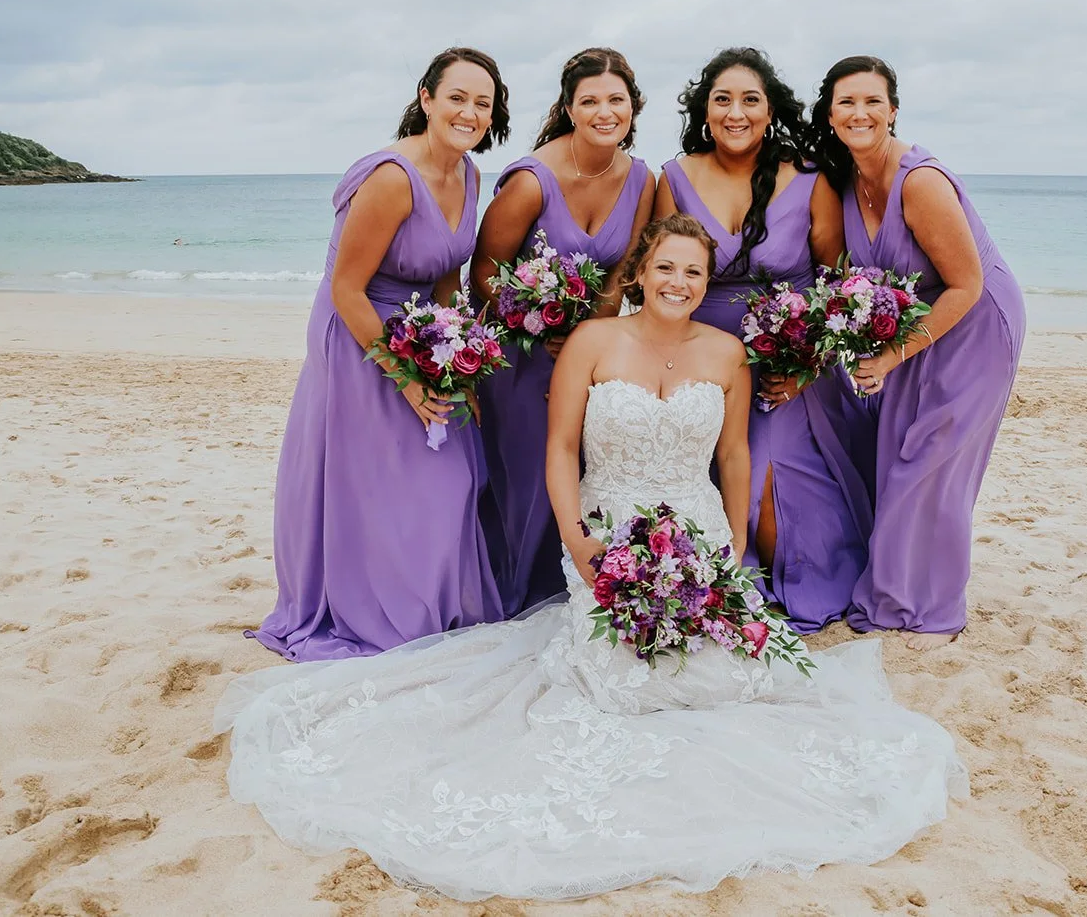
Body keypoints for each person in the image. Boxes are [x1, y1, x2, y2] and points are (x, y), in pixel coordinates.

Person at [215, 214, 967, 901]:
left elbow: (735, 455)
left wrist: (733, 548)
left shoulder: (728, 351)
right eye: (667, 268)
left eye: (694, 274)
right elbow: (562, 447)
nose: (679, 283)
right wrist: (578, 540)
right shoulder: (592, 341)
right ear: (640, 271)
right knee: (621, 682)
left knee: (727, 673)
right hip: (608, 525)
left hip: (697, 527)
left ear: (709, 284)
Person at [249, 48, 509, 661]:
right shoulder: (393, 178)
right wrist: (406, 378)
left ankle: (431, 599)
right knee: (382, 478)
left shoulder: (470, 175)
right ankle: (370, 603)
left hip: (423, 333)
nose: (469, 112)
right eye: (457, 98)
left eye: (483, 103)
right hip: (361, 333)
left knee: (452, 475)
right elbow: (346, 288)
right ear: (426, 99)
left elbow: (447, 272)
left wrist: (457, 354)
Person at [811, 55, 1026, 648]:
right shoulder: (848, 181)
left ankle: (934, 608)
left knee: (931, 461)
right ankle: (894, 592)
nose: (860, 112)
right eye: (847, 102)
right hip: (915, 322)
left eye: (872, 101)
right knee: (896, 453)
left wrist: (887, 357)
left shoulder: (920, 182)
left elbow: (967, 284)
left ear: (893, 110)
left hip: (975, 323)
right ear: (830, 115)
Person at [654, 47, 869, 632]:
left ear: (769, 109)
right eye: (722, 99)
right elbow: (660, 278)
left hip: (789, 367)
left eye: (750, 99)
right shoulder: (674, 178)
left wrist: (808, 361)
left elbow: (837, 285)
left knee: (770, 504)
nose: (736, 112)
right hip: (704, 359)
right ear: (704, 110)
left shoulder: (810, 181)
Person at [472, 47, 654, 616]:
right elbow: (482, 272)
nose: (605, 112)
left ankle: (566, 593)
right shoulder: (531, 181)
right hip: (522, 356)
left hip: (590, 353)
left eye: (616, 100)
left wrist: (589, 338)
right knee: (526, 476)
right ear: (570, 108)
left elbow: (624, 273)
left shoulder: (642, 179)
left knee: (582, 471)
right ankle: (511, 598)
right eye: (590, 101)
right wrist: (531, 317)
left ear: (633, 105)